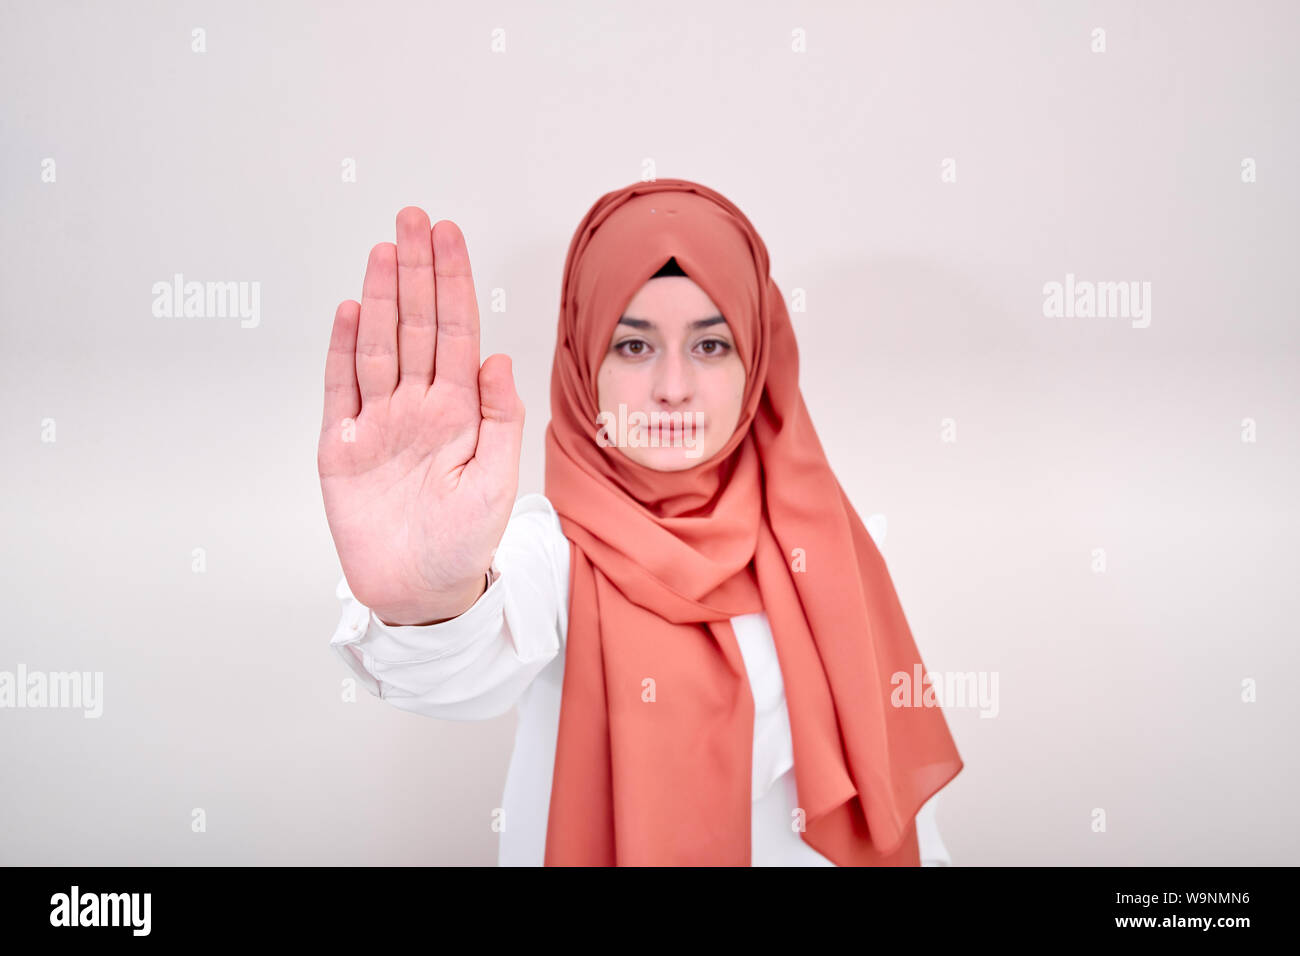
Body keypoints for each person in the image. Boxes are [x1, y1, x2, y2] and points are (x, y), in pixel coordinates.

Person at [318, 178, 964, 866]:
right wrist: (427, 597)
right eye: (633, 346)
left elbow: (901, 820)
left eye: (711, 346)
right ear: (581, 362)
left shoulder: (834, 544)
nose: (674, 386)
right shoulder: (552, 556)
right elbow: (461, 662)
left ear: (758, 361)